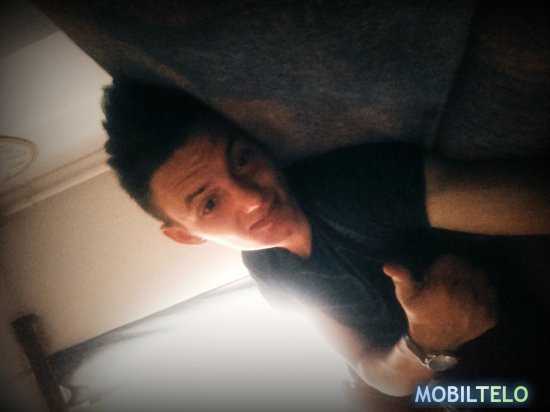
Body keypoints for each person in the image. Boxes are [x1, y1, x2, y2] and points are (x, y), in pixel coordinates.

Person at [102, 77, 550, 400]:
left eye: (242, 160)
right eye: (210, 203)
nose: (253, 199)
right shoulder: (268, 270)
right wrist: (428, 343)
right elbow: (370, 369)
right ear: (185, 236)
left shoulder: (348, 190)